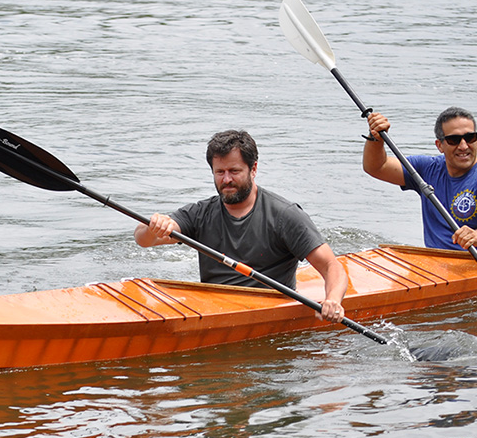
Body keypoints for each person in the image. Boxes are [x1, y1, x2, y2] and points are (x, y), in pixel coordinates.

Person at [134, 130, 348, 323]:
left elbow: (332, 266)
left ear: (253, 169)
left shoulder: (285, 215)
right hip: (213, 309)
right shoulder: (200, 213)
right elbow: (142, 240)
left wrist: (333, 300)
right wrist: (153, 227)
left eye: (234, 171)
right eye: (220, 172)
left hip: (269, 310)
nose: (227, 179)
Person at [362, 107, 477, 254]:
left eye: (470, 138)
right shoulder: (426, 169)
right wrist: (375, 137)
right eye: (454, 140)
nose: (463, 146)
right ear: (440, 145)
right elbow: (376, 167)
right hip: (438, 263)